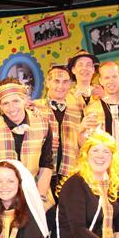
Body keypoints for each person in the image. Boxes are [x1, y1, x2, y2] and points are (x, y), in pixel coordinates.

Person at [0, 80, 54, 209]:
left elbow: (46, 163)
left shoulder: (42, 124)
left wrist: (39, 198)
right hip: (5, 194)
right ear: (0, 106)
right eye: (5, 103)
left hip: (37, 189)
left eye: (16, 101)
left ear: (24, 100)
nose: (11, 108)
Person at [33, 64, 82, 197]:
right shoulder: (34, 107)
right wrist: (44, 141)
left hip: (69, 172)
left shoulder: (78, 111)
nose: (60, 86)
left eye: (65, 82)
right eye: (56, 81)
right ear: (47, 83)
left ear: (70, 84)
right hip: (42, 172)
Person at [82, 61, 119, 153]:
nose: (111, 81)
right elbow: (86, 143)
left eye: (114, 77)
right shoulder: (90, 110)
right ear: (101, 81)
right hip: (103, 160)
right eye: (107, 78)